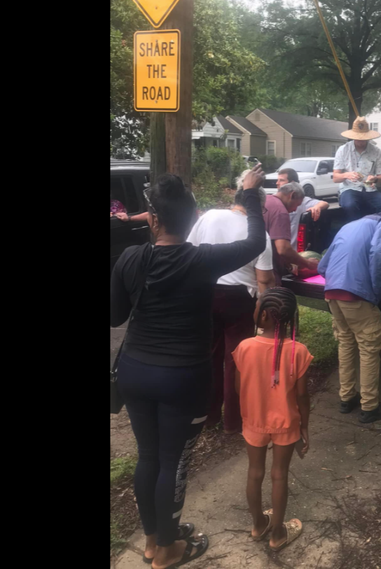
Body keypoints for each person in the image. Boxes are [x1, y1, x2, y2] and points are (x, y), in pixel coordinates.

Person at [110, 165, 266, 567]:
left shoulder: (131, 258)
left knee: (148, 456)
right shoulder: (204, 260)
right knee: (172, 461)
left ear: (155, 219)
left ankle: (152, 540)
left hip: (135, 372)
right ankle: (167, 550)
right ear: (192, 218)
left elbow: (115, 317)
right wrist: (248, 193)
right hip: (182, 377)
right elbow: (255, 240)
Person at [186, 185, 277, 435]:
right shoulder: (259, 234)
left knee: (210, 357)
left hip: (205, 294)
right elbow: (264, 280)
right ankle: (233, 422)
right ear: (258, 207)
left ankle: (209, 414)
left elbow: (188, 251)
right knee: (237, 361)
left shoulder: (209, 216)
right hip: (238, 300)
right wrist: (264, 309)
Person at [232, 287, 312, 552]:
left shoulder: (244, 347)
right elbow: (302, 396)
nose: (253, 309)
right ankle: (277, 534)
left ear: (264, 315)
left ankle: (258, 525)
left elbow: (237, 387)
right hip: (286, 423)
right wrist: (305, 427)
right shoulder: (298, 351)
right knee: (280, 475)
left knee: (254, 473)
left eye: (256, 306)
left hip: (253, 420)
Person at [317, 212, 381, 423]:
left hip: (332, 293)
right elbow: (379, 254)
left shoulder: (349, 226)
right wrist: (376, 291)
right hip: (356, 296)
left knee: (346, 343)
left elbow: (322, 266)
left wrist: (338, 281)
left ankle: (346, 398)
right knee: (369, 348)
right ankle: (370, 408)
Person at [333, 116, 381, 222]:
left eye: (363, 138)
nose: (361, 141)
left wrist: (375, 178)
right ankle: (356, 233)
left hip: (370, 190)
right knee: (350, 206)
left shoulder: (376, 151)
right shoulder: (343, 150)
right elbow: (335, 177)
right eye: (358, 138)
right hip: (349, 189)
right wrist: (346, 175)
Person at [262, 181, 321, 278]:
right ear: (292, 195)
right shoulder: (281, 211)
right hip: (266, 270)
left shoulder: (265, 200)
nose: (294, 210)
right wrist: (308, 264)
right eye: (297, 205)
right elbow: (283, 249)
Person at [276, 168, 329, 244]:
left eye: (281, 180)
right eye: (278, 180)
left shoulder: (301, 200)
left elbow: (325, 203)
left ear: (292, 183)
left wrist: (317, 207)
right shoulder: (274, 201)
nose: (277, 183)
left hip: (292, 251)